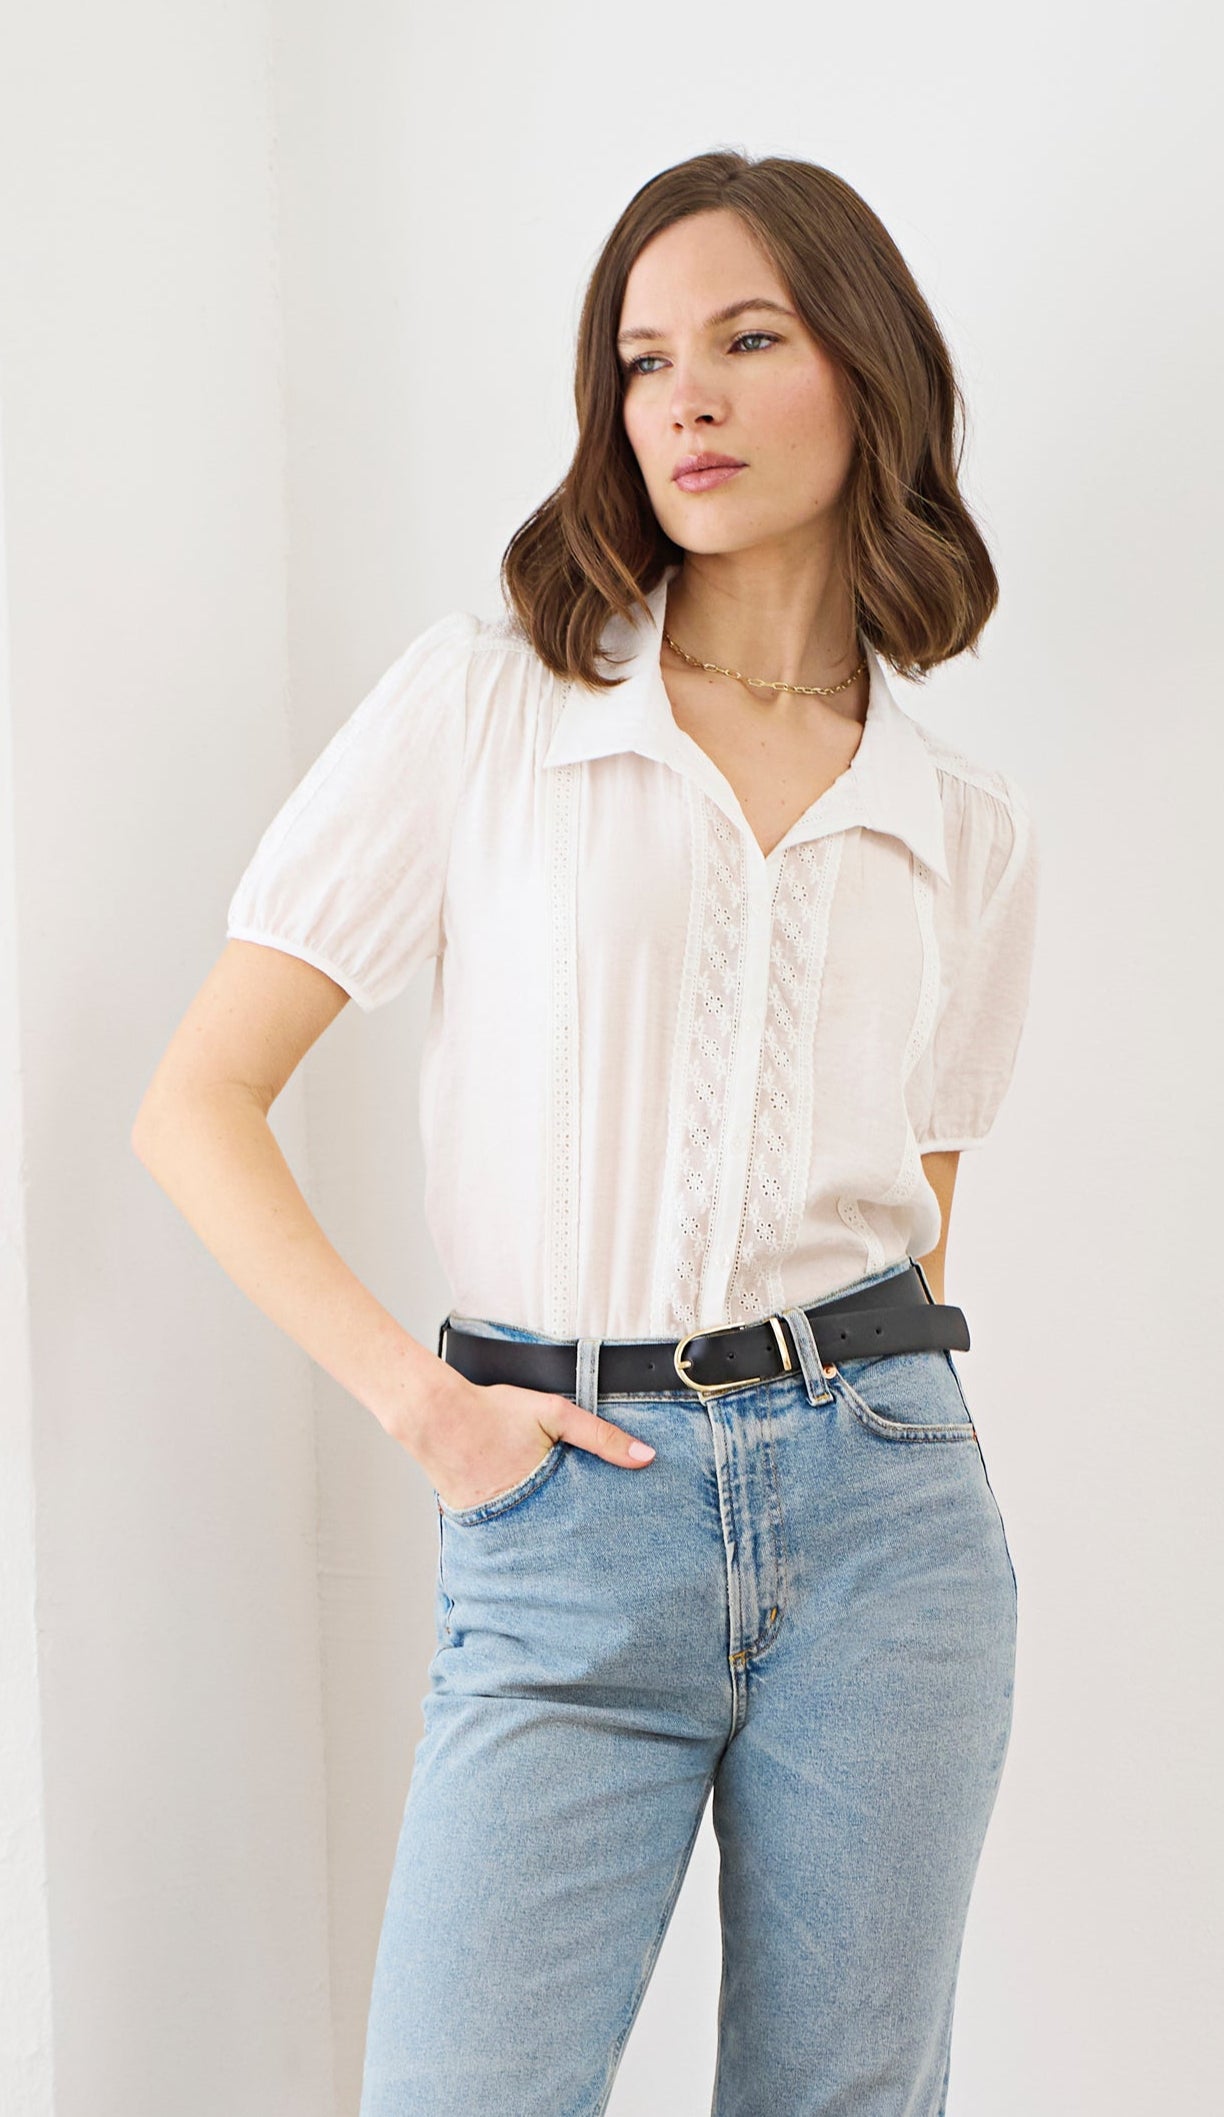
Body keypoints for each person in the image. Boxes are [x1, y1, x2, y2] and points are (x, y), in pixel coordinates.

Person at [132, 149, 1040, 2117]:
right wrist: (430, 1409)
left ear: (867, 370)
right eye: (643, 359)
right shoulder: (490, 710)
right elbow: (197, 1099)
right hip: (563, 1508)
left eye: (747, 340)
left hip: (888, 1521)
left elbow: (923, 1207)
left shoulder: (959, 824)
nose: (684, 397)